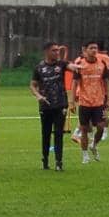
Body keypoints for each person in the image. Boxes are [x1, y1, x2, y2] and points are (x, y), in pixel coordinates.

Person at [72, 40, 109, 164]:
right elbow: (74, 83)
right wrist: (72, 101)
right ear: (85, 50)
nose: (94, 50)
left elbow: (105, 81)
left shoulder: (102, 63)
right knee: (84, 129)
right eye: (91, 48)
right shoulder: (79, 64)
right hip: (84, 102)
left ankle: (94, 144)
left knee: (100, 127)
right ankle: (85, 155)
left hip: (99, 101)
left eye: (96, 48)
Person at [31, 42, 69, 171]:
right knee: (45, 133)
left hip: (60, 104)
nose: (57, 53)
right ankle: (45, 160)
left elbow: (73, 67)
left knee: (59, 133)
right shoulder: (39, 68)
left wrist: (81, 66)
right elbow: (33, 85)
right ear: (46, 51)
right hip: (46, 105)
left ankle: (59, 162)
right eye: (54, 50)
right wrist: (38, 95)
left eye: (58, 50)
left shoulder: (61, 64)